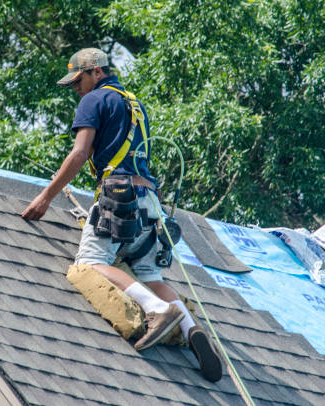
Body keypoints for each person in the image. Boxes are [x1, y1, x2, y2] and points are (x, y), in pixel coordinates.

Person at [21, 48, 222, 382]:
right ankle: (190, 327)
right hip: (150, 203)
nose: (76, 88)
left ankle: (158, 311)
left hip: (118, 198)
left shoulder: (94, 100)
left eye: (78, 80)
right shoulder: (134, 104)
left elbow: (80, 152)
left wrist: (46, 197)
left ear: (96, 72)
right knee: (150, 276)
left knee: (91, 262)